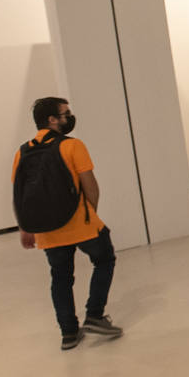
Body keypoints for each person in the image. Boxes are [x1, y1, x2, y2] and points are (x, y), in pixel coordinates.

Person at [13, 97, 123, 350]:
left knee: (60, 277)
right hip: (80, 224)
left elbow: (20, 194)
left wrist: (25, 228)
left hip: (47, 231)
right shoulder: (72, 146)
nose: (69, 117)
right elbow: (91, 186)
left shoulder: (23, 152)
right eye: (65, 113)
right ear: (52, 119)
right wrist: (90, 214)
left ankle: (69, 334)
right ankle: (94, 315)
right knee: (105, 260)